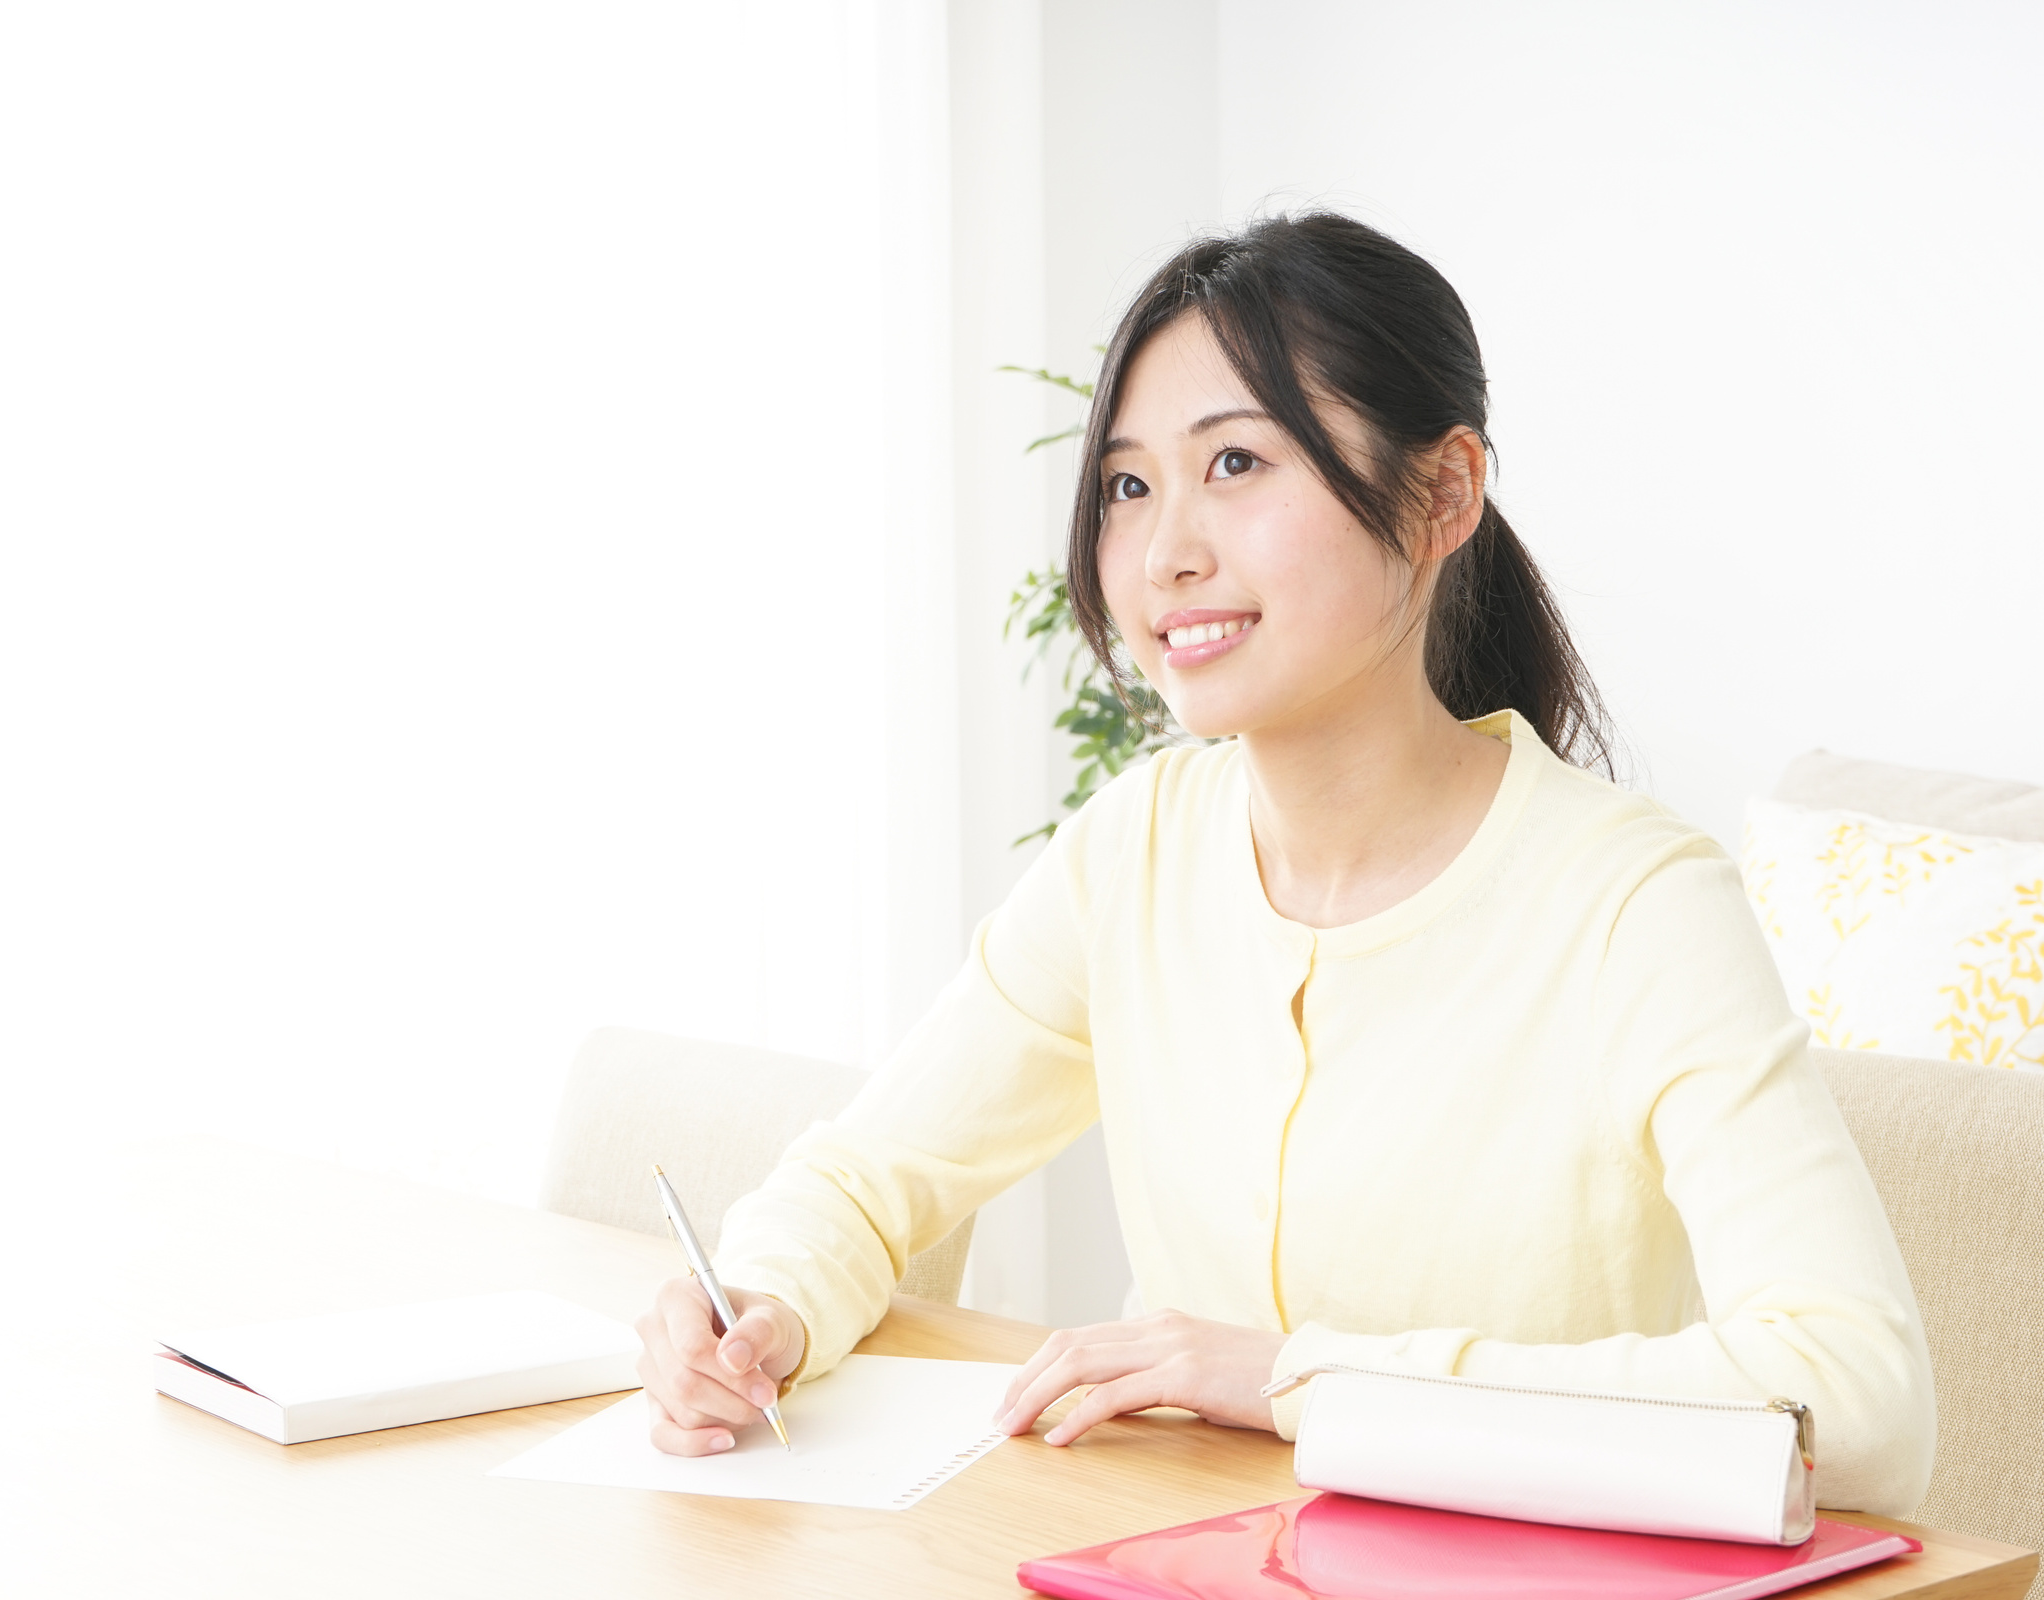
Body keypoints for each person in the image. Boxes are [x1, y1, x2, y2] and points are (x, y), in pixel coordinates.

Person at [630, 212, 1935, 1513]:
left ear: (1444, 496)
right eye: (1130, 486)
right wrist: (759, 1303)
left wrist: (1299, 1378)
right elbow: (869, 1179)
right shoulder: (1131, 852)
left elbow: (1859, 1398)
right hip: (1156, 1557)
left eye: (1239, 463)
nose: (1164, 552)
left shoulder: (1635, 906)